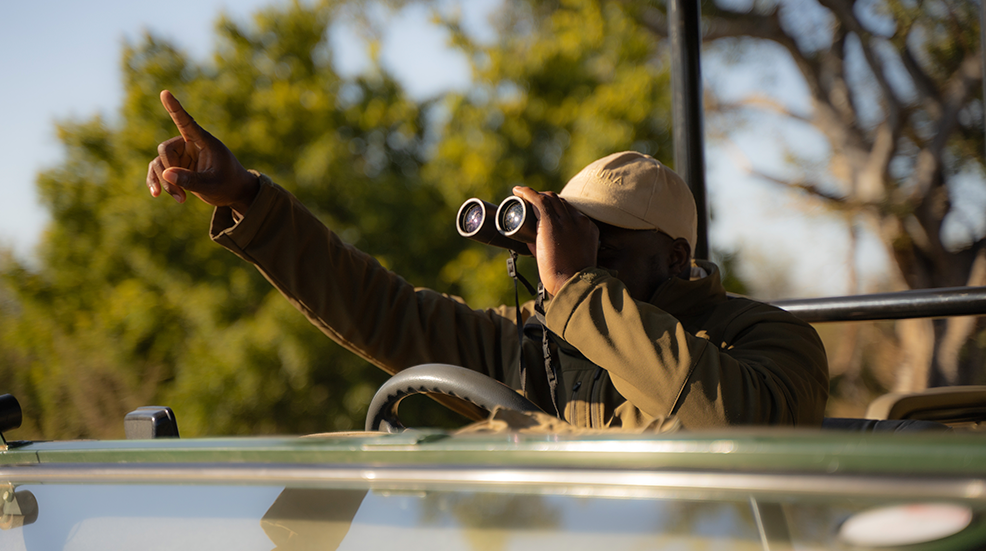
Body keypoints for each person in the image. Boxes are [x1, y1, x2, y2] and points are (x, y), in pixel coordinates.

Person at [147, 90, 829, 430]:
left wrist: (579, 292)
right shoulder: (539, 344)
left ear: (676, 257)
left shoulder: (769, 341)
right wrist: (248, 197)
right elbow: (379, 310)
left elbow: (732, 421)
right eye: (569, 238)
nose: (575, 262)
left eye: (603, 248)